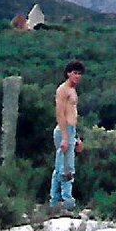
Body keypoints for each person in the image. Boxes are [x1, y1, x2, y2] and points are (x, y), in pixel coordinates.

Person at [50, 60, 84, 209]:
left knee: (61, 167)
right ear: (68, 73)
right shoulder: (63, 90)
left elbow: (73, 114)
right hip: (64, 131)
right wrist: (65, 137)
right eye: (75, 73)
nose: (77, 76)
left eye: (79, 74)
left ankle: (55, 201)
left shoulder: (73, 90)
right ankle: (66, 202)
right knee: (66, 168)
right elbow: (60, 114)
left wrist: (76, 138)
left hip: (71, 131)